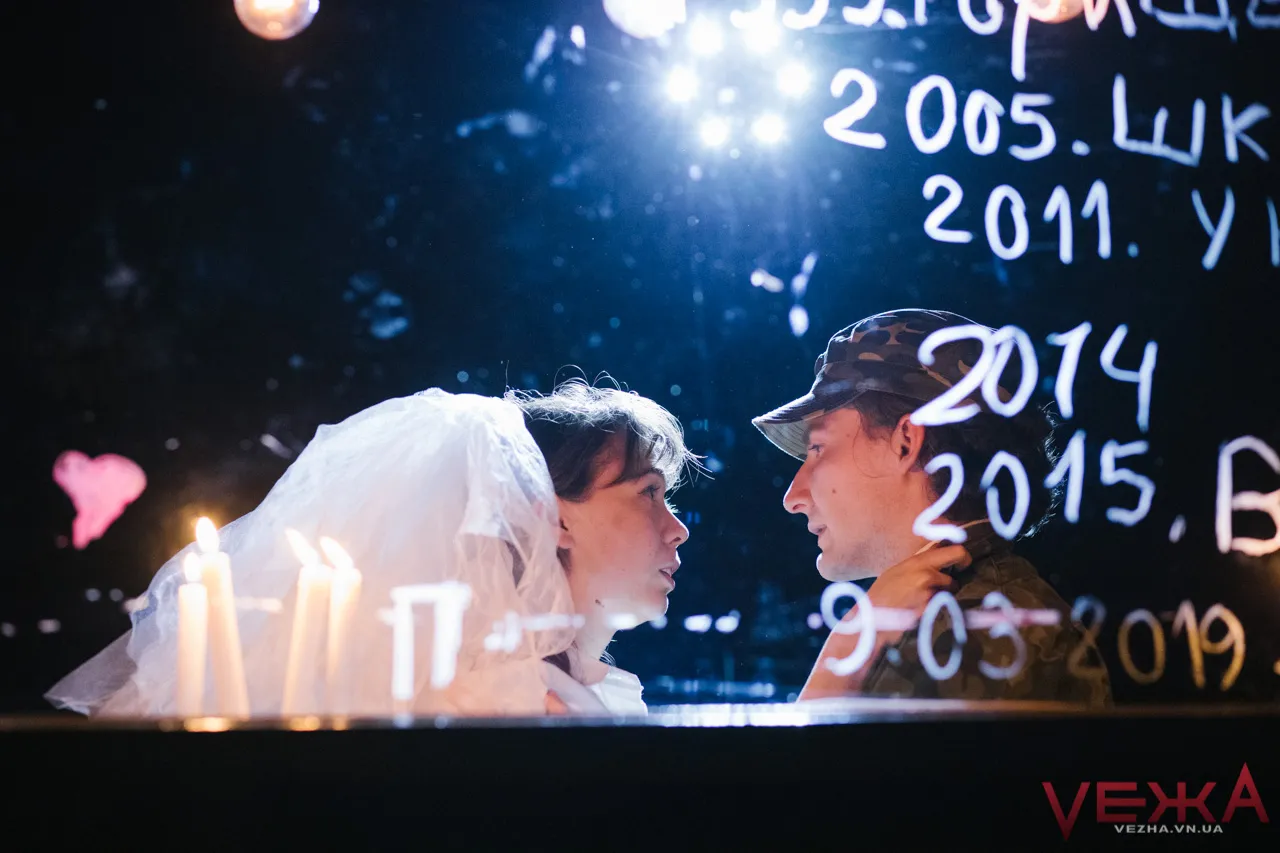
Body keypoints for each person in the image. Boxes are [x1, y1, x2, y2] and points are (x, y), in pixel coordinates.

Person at [46, 380, 696, 719]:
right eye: (648, 493)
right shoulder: (503, 711)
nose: (678, 528)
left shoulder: (556, 693)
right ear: (551, 515)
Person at [751, 308, 1112, 706]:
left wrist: (848, 648)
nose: (793, 497)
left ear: (905, 442)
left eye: (818, 448)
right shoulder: (955, 616)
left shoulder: (970, 636)